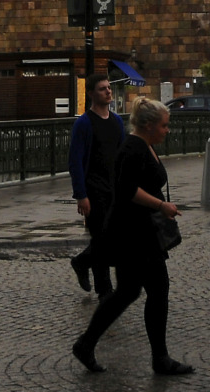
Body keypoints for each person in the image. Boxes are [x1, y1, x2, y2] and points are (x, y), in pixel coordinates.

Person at [72, 97, 193, 377]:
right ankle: (158, 358)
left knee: (130, 292)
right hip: (133, 233)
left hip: (139, 231)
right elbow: (127, 190)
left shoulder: (144, 145)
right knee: (150, 290)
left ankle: (87, 344)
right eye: (164, 126)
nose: (167, 130)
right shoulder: (133, 149)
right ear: (149, 125)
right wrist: (161, 205)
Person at [69, 77, 127, 299]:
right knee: (101, 238)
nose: (108, 92)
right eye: (103, 89)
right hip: (94, 190)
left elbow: (122, 155)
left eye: (109, 88)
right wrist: (81, 195)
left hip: (114, 189)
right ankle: (105, 289)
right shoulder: (84, 123)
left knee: (111, 239)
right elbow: (75, 160)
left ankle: (81, 262)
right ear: (92, 94)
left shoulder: (116, 121)